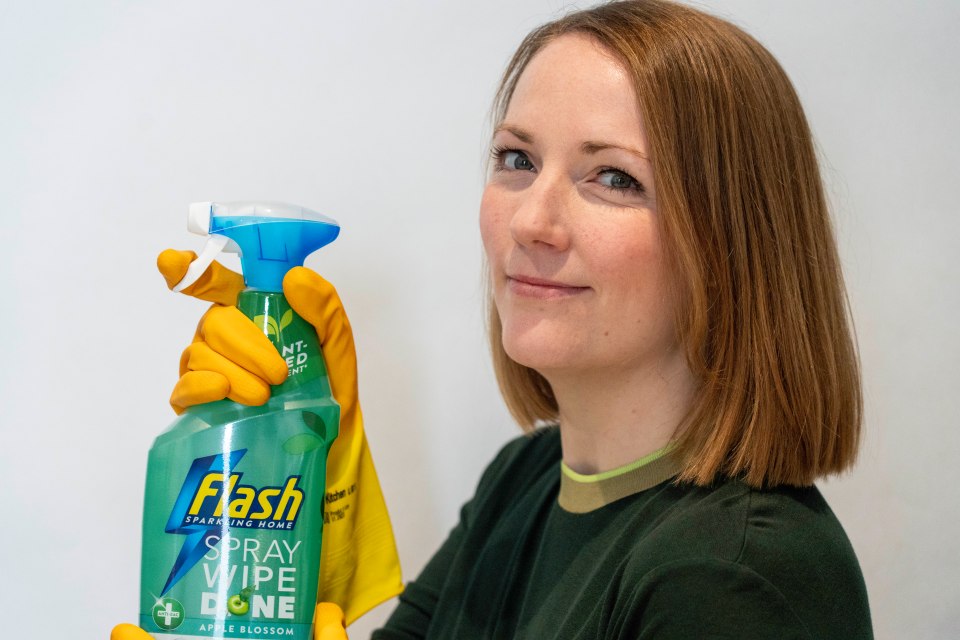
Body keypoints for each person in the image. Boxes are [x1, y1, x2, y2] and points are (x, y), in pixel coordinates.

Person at [115, 0, 873, 638]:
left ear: (732, 241)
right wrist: (302, 486)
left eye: (612, 177)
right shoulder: (529, 480)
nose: (532, 221)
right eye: (517, 159)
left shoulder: (735, 580)